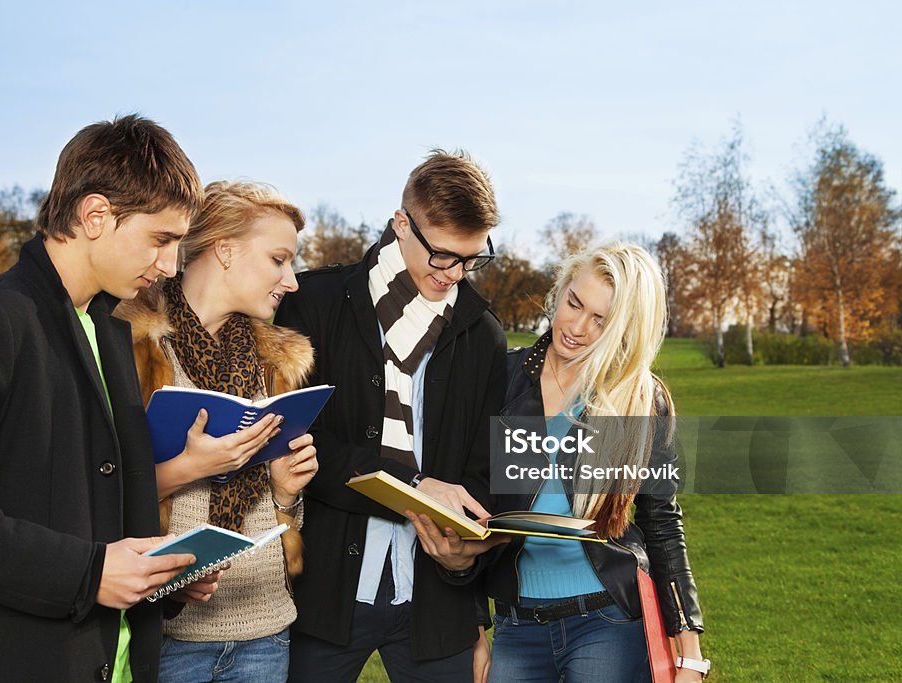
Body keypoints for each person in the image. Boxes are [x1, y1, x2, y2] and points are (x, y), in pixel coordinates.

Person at [0, 115, 217, 683]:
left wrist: (159, 574)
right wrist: (87, 574)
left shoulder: (111, 329)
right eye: (161, 240)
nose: (169, 266)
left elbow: (94, 506)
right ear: (95, 215)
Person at [275, 149, 507, 682]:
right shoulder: (314, 304)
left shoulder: (483, 335)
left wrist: (472, 601)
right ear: (401, 223)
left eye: (472, 259)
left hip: (434, 605)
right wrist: (415, 485)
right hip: (324, 591)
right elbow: (301, 444)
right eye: (444, 256)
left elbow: (480, 476)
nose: (456, 275)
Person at [466, 243, 707, 681]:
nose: (576, 327)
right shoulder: (498, 378)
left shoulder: (640, 399)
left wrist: (688, 644)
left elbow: (661, 521)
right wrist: (472, 625)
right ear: (559, 290)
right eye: (573, 303)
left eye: (601, 320)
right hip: (516, 625)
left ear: (624, 330)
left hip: (608, 622)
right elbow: (463, 503)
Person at [114, 180, 319, 683]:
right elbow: (95, 493)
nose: (291, 281)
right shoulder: (130, 343)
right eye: (278, 259)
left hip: (267, 632)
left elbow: (284, 518)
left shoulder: (279, 364)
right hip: (165, 636)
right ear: (224, 250)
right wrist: (191, 468)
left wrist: (287, 494)